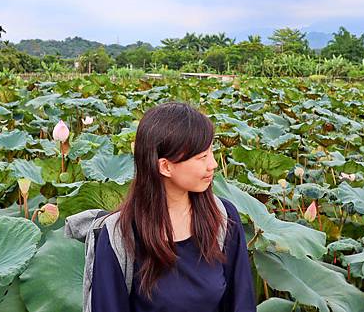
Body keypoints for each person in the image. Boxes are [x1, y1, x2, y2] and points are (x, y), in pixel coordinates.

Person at [91, 102, 256, 312]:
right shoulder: (119, 236)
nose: (213, 164)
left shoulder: (223, 217)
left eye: (211, 153)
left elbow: (242, 304)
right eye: (202, 157)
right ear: (165, 166)